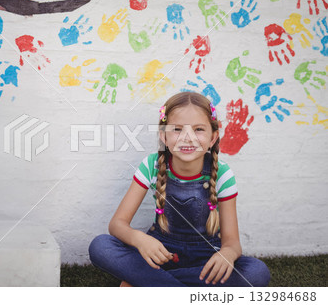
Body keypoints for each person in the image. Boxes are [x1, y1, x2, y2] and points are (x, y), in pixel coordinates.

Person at [88, 91, 271, 287]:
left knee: (256, 272)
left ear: (213, 137)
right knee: (101, 246)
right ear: (163, 137)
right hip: (160, 256)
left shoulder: (223, 174)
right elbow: (117, 224)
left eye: (199, 129)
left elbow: (232, 243)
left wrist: (227, 253)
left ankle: (149, 284)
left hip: (205, 261)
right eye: (177, 129)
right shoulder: (151, 166)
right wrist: (139, 239)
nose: (187, 137)